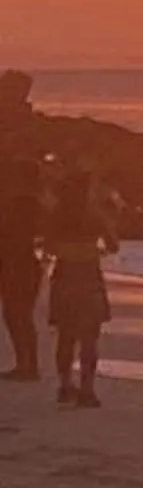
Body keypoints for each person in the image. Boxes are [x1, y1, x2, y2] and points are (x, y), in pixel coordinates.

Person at [44, 170, 112, 409]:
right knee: (89, 338)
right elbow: (113, 244)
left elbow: (49, 248)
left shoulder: (56, 215)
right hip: (89, 278)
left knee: (65, 336)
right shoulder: (95, 215)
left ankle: (65, 385)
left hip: (64, 278)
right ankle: (87, 389)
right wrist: (94, 247)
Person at [0, 160, 41, 382]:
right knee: (17, 315)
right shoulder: (31, 203)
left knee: (18, 315)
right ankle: (26, 363)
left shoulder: (21, 204)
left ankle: (27, 364)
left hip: (18, 264)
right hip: (20, 263)